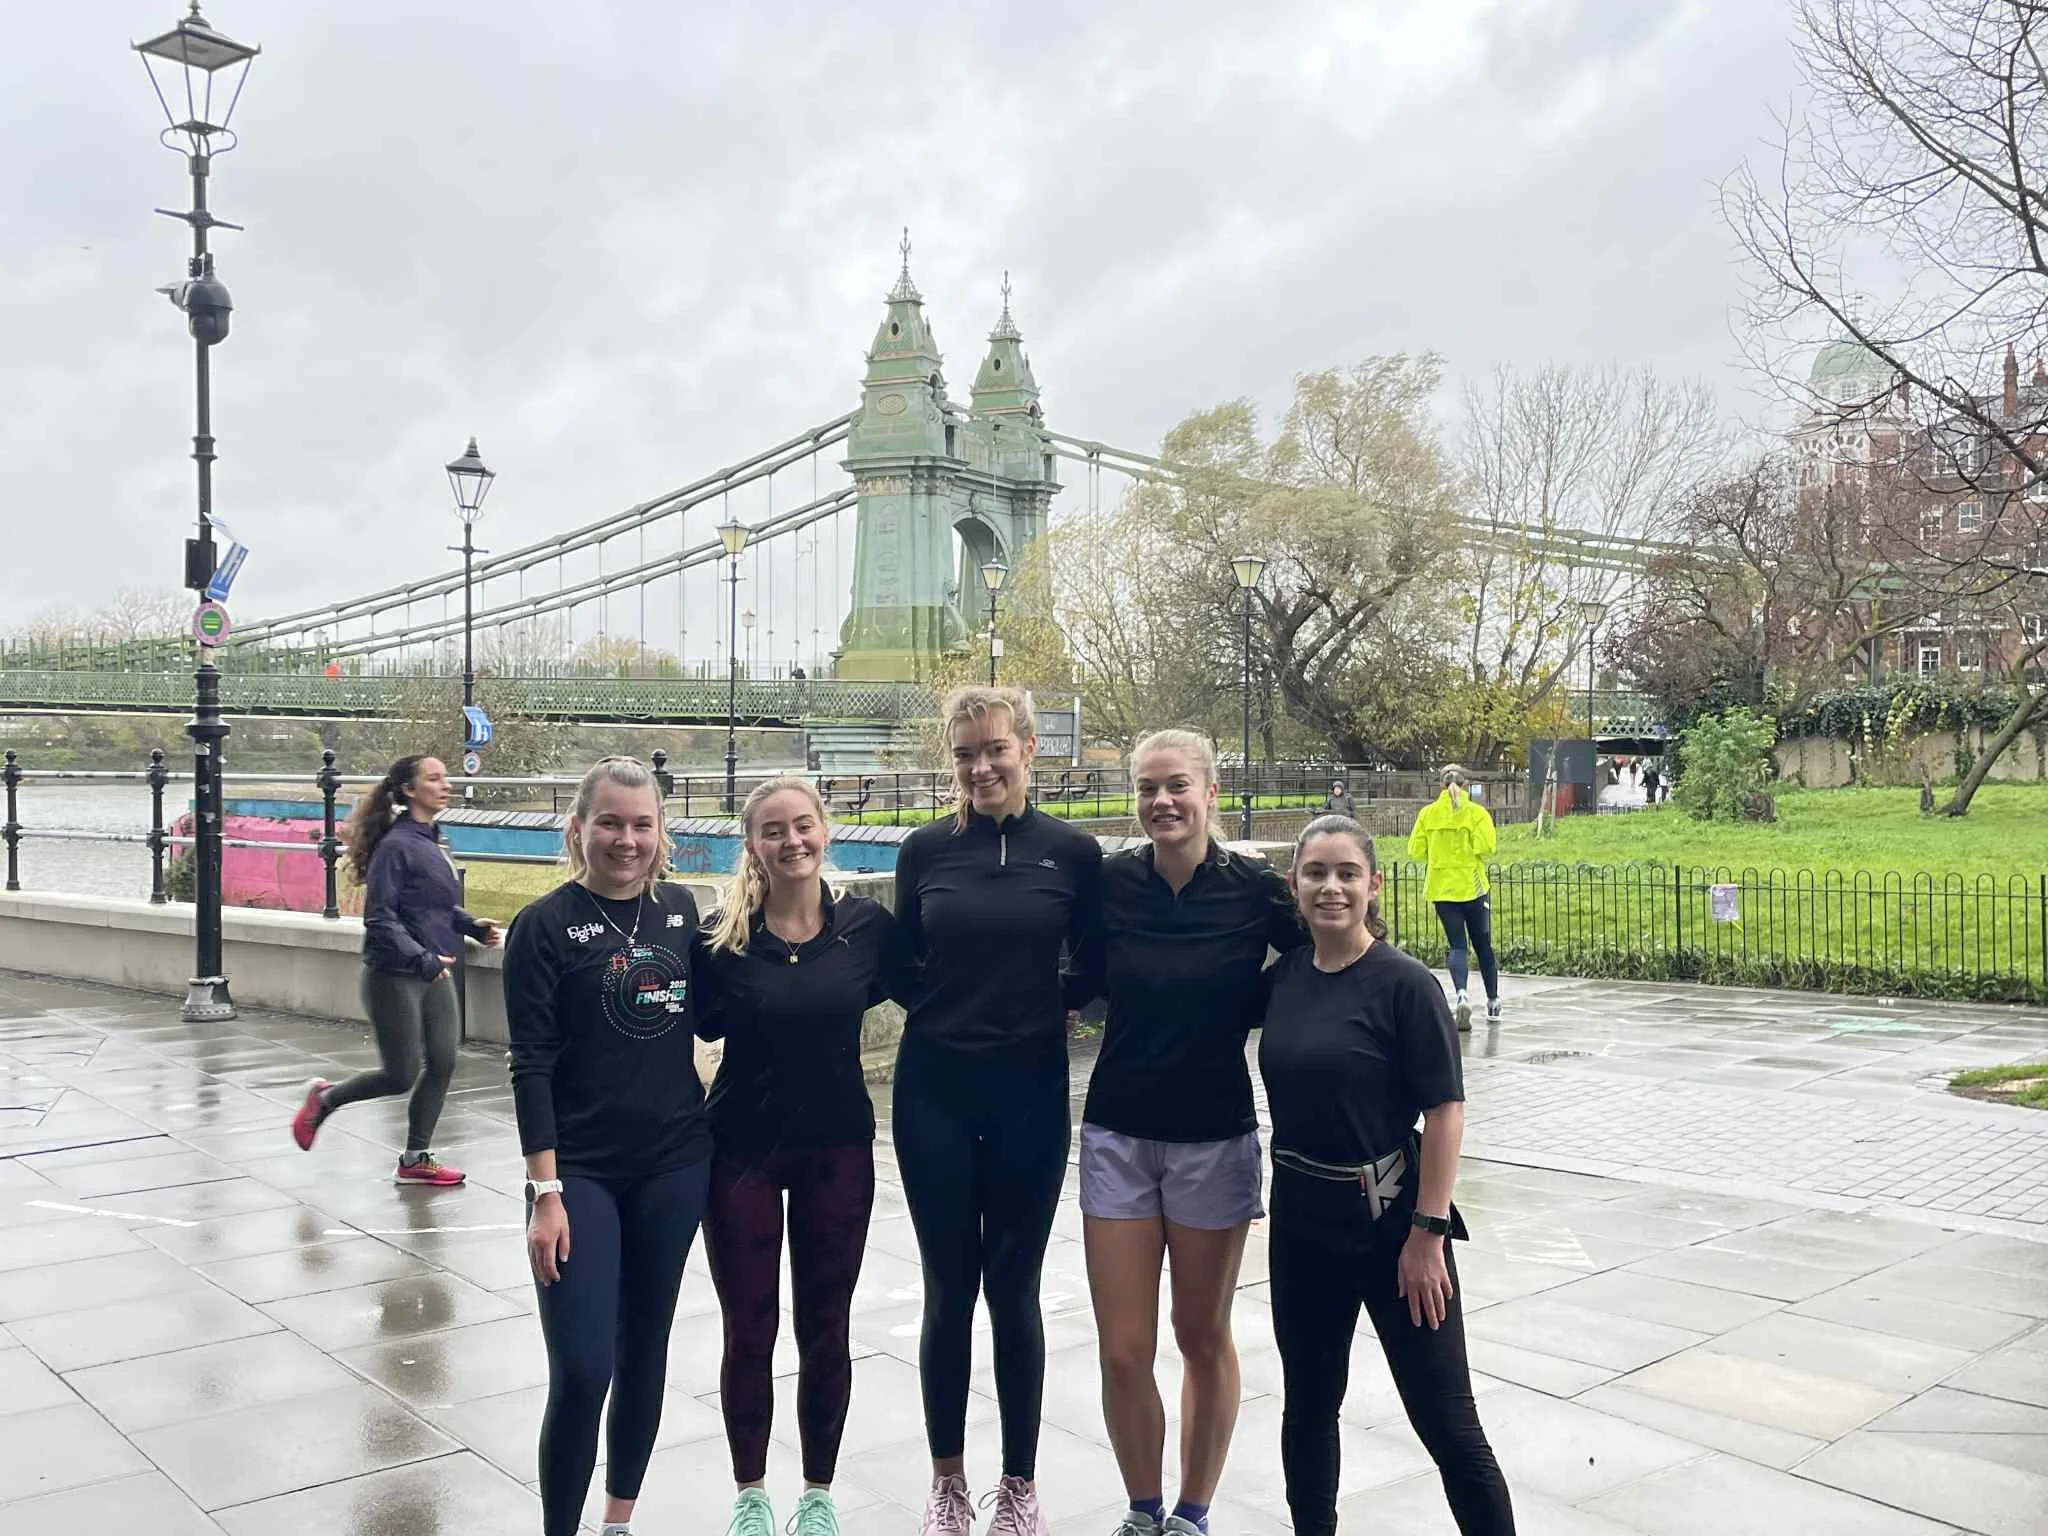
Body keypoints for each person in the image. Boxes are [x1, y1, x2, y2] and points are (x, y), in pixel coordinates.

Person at [1068, 730, 1304, 1536]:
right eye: (1146, 789)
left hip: (1214, 1135)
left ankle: (1193, 1513)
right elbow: (1076, 977)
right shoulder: (1110, 884)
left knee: (1200, 1334)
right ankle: (1143, 1509)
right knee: (1124, 1346)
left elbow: (1320, 956)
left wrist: (1254, 1006)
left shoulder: (1252, 889)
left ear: (1208, 790)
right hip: (1119, 1135)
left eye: (1176, 786)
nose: (1161, 802)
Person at [1261, 814, 1514, 1536]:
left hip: (1392, 1227)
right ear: (1295, 886)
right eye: (1316, 873)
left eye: (1347, 873)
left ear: (1374, 886)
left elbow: (1445, 1111)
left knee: (1448, 1424)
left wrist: (1428, 1234)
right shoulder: (1284, 981)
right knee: (1308, 1407)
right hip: (1303, 1227)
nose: (1331, 887)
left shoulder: (1403, 985)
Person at [892, 685, 1103, 1536]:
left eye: (995, 750)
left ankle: (1019, 1486)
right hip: (934, 1090)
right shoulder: (924, 851)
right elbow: (901, 961)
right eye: (964, 754)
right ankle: (948, 1484)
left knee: (1014, 1289)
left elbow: (1096, 961)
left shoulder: (1073, 854)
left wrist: (1048, 1003)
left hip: (1028, 1092)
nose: (981, 767)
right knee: (949, 1287)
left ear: (1028, 748)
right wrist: (948, 1007)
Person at [504, 757, 710, 1536]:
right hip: (581, 1174)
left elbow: (736, 1008)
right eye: (610, 823)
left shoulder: (685, 912)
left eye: (642, 824)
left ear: (662, 834)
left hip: (675, 1164)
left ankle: (618, 1522)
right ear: (578, 829)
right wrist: (543, 1193)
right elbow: (531, 1064)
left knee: (645, 1351)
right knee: (586, 1367)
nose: (627, 840)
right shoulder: (545, 926)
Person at [695, 778, 899, 1536]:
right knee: (748, 1326)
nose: (792, 842)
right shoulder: (721, 941)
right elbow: (680, 1024)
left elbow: (939, 988)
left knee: (826, 1324)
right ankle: (751, 1494)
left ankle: (817, 1494)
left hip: (837, 1149)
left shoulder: (867, 931)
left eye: (803, 826)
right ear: (753, 845)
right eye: (773, 831)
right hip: (740, 1150)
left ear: (825, 831)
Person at [291, 754, 498, 1183]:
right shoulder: (396, 845)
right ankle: (325, 1100)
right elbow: (380, 918)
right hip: (394, 975)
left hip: (432, 971)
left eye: (446, 778)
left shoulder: (431, 839)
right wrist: (420, 957)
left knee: (443, 1062)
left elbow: (434, 907)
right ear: (408, 790)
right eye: (434, 778)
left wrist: (471, 926)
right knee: (400, 1075)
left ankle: (415, 1159)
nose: (446, 785)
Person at [1406, 765, 1499, 1030]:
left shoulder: (1428, 814)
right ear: (1466, 785)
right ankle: (1493, 1001)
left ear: (1440, 786)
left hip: (1441, 888)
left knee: (1457, 945)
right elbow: (1487, 847)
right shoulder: (1477, 813)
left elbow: (1415, 850)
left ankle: (1461, 994)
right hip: (1473, 887)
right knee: (1483, 945)